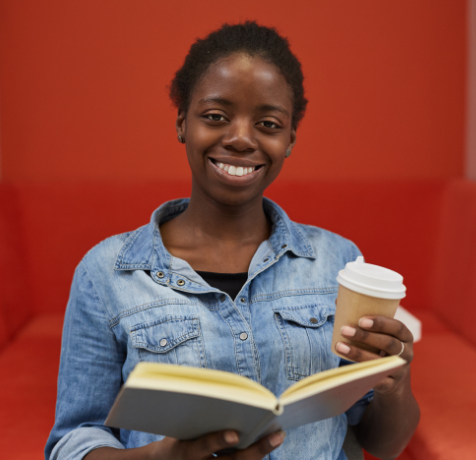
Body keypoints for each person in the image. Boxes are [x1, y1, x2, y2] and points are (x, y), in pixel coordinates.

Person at [45, 22, 419, 460]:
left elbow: (384, 443)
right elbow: (73, 442)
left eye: (268, 123)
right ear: (183, 123)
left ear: (289, 140)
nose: (241, 138)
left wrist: (395, 382)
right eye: (216, 117)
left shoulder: (339, 263)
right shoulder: (106, 272)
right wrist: (158, 458)